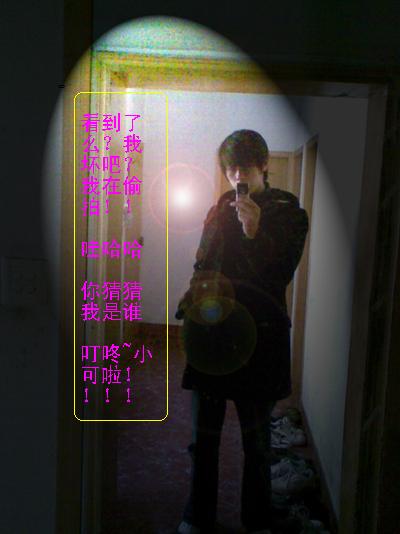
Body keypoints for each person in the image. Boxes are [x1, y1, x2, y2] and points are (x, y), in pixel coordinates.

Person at [175, 130, 309, 534]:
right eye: (230, 169)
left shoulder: (289, 213)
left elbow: (279, 274)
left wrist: (254, 233)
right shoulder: (220, 208)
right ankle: (197, 517)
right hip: (213, 337)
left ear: (263, 166)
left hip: (260, 342)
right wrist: (192, 295)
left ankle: (257, 521)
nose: (237, 176)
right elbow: (204, 262)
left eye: (244, 168)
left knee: (257, 444)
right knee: (203, 440)